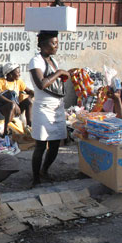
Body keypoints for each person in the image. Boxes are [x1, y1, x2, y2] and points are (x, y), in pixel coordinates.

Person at [29, 31, 70, 187]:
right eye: (53, 43)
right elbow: (41, 84)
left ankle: (44, 171)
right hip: (43, 106)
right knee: (40, 145)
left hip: (56, 107)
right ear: (42, 45)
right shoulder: (35, 61)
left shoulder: (53, 61)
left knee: (54, 144)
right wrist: (59, 73)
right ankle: (35, 178)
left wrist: (62, 74)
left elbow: (54, 81)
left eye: (57, 43)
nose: (56, 46)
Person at [0, 62, 34, 136]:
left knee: (29, 101)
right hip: (1, 111)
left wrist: (29, 97)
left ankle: (29, 127)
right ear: (10, 74)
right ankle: (6, 133)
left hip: (16, 109)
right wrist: (12, 103)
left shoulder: (18, 82)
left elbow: (30, 91)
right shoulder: (0, 81)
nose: (19, 74)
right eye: (17, 72)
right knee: (11, 105)